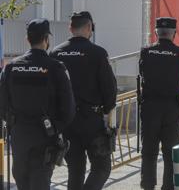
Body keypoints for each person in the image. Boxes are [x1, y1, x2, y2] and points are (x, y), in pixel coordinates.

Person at [0, 19, 75, 190]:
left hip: (19, 138)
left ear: (28, 39)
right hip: (45, 139)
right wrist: (54, 128)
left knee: (22, 183)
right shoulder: (56, 67)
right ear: (46, 39)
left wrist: (15, 123)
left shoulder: (11, 68)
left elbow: (2, 104)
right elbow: (68, 109)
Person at [50, 11, 117, 190]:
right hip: (92, 121)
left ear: (70, 28)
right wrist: (107, 110)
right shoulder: (98, 53)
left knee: (75, 170)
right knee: (102, 167)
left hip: (67, 122)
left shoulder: (56, 53)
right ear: (89, 27)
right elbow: (110, 89)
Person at [138, 17, 179, 190]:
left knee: (148, 152)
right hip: (172, 108)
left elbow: (142, 73)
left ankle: (147, 185)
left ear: (156, 33)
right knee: (170, 153)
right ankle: (168, 187)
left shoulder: (146, 52)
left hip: (150, 107)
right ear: (174, 34)